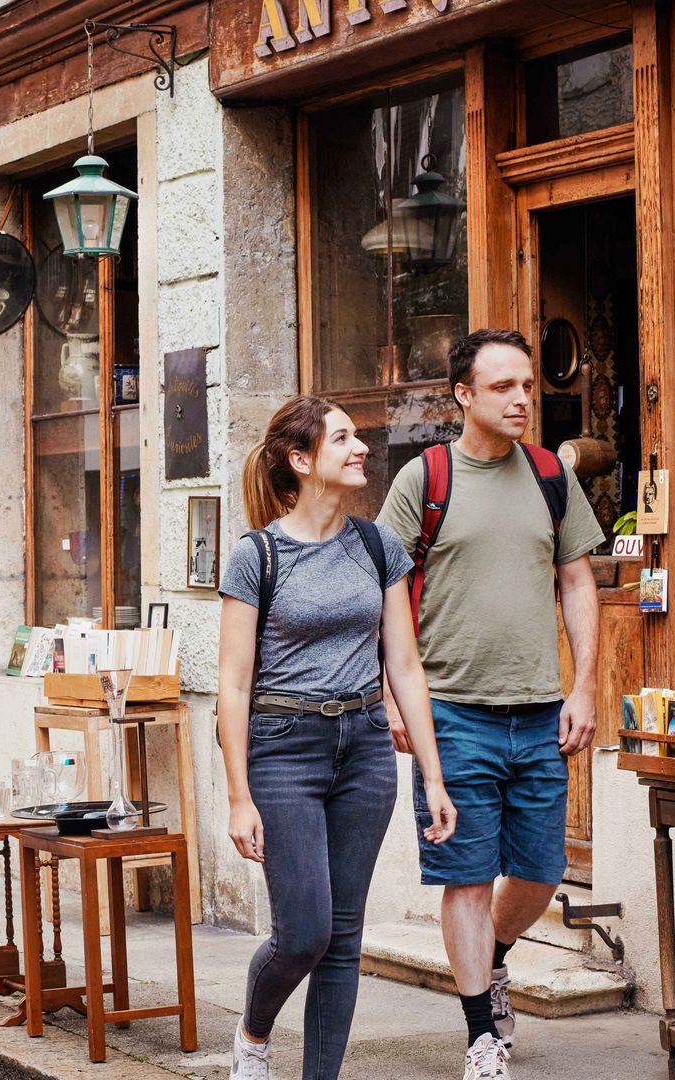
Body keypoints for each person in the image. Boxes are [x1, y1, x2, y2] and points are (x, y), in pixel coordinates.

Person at [376, 329, 605, 1080]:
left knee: (540, 873)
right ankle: (482, 1034)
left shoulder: (550, 475)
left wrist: (584, 685)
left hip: (540, 712)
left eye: (529, 386)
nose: (521, 400)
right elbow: (383, 595)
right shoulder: (425, 478)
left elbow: (577, 582)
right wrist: (391, 693)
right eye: (503, 387)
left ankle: (496, 959)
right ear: (464, 396)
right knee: (466, 876)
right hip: (451, 712)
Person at [217, 395, 457, 1080]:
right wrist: (240, 796)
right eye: (344, 438)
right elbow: (233, 685)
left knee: (344, 938)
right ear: (301, 460)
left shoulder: (377, 545)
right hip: (283, 747)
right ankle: (254, 1036)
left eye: (358, 436)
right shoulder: (257, 555)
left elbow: (405, 666)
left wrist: (432, 778)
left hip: (365, 749)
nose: (361, 448)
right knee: (305, 933)